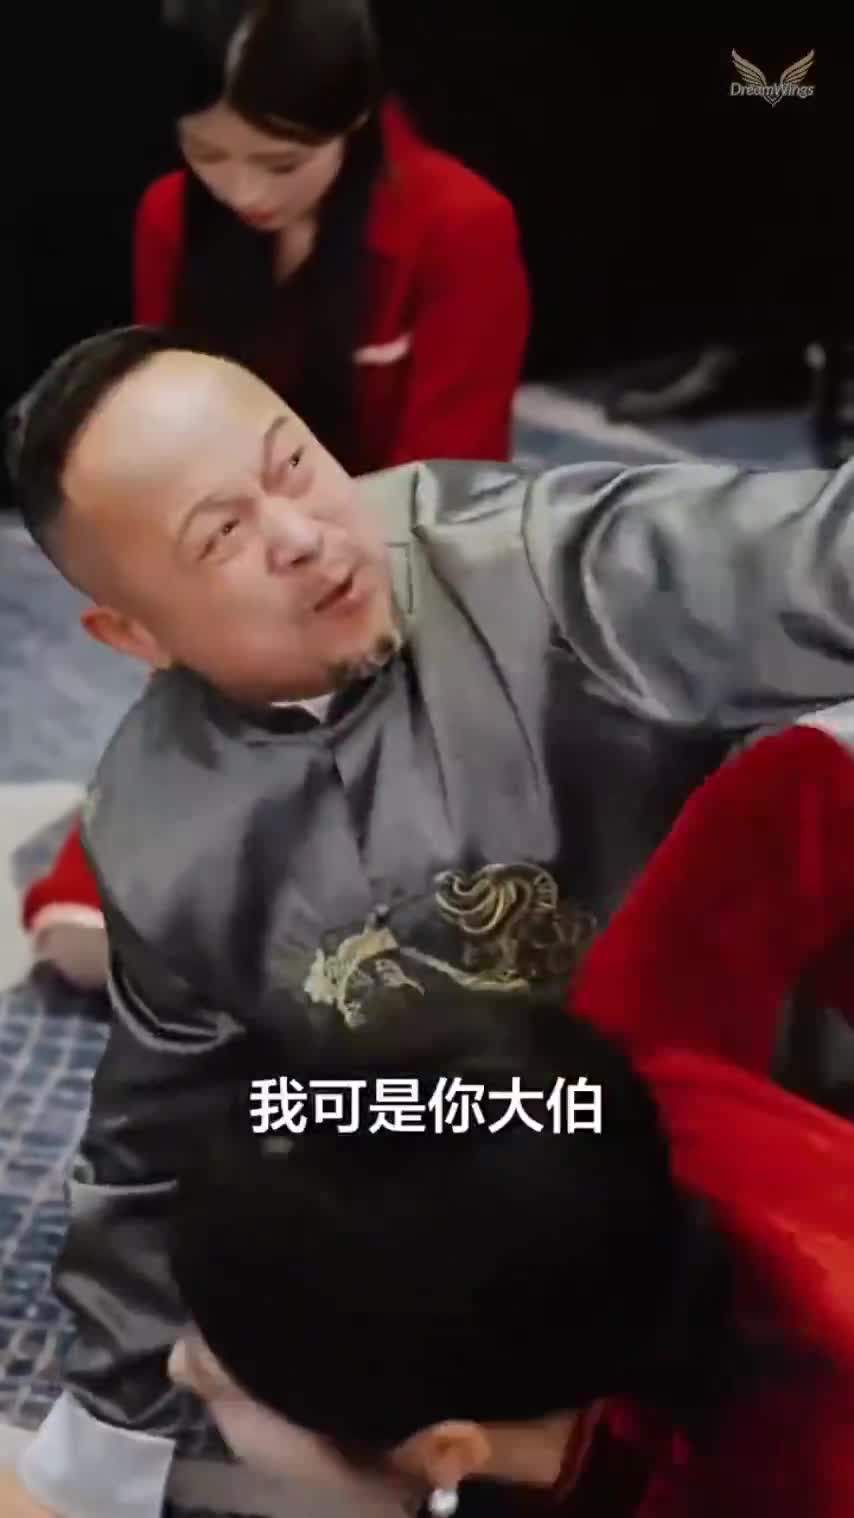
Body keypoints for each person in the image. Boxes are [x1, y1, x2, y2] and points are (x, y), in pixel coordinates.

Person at [6, 321, 854, 1516]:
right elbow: (162, 1140)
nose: (302, 535)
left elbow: (817, 552)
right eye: (222, 536)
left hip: (762, 1158)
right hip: (481, 1258)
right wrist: (96, 1457)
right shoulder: (160, 827)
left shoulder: (543, 570)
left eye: (292, 464)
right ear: (132, 635)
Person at [163, 720, 854, 1517]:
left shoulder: (786, 1481)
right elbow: (795, 787)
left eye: (223, 1389)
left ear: (449, 1451)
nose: (177, 1368)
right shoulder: (598, 1090)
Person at [21, 0, 531, 990]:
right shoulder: (172, 216)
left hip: (401, 547)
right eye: (209, 154)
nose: (243, 190)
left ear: (354, 120)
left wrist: (310, 559)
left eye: (280, 161)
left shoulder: (458, 223)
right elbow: (148, 432)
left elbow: (456, 481)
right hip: (238, 555)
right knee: (205, 665)